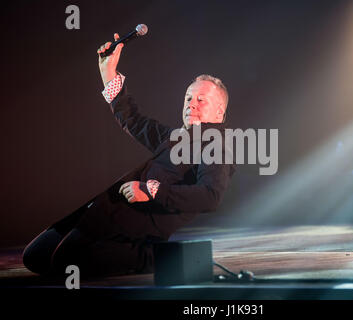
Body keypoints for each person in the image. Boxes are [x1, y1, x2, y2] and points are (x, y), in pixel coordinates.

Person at [22, 33, 235, 278]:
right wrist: (108, 71)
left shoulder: (217, 145)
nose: (191, 104)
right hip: (106, 211)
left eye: (201, 99)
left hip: (134, 228)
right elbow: (133, 120)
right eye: (188, 98)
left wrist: (153, 191)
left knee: (64, 262)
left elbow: (210, 196)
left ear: (219, 113)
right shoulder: (175, 137)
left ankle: (152, 257)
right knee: (35, 256)